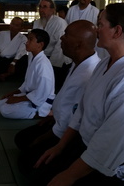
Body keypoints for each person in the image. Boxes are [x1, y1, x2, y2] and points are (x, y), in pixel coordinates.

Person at [31, 3, 124, 186]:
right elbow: (81, 110)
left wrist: (69, 176)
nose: (96, 30)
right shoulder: (104, 64)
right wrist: (61, 145)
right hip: (88, 146)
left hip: (117, 161)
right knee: (37, 170)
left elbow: (111, 142)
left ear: (117, 31)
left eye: (100, 24)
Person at [15, 20, 101, 175]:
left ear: (78, 45)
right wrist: (54, 116)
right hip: (58, 121)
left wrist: (44, 139)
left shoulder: (88, 73)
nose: (61, 38)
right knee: (22, 139)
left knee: (28, 163)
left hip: (71, 134)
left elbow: (75, 118)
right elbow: (66, 103)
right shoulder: (78, 62)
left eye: (66, 35)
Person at [0, 29, 55, 119]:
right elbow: (27, 83)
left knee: (5, 110)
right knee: (1, 103)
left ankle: (40, 113)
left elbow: (42, 92)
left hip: (40, 102)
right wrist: (13, 93)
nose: (26, 42)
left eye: (30, 40)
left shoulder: (43, 64)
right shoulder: (33, 58)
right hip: (31, 96)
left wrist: (18, 99)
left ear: (40, 45)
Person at [33, 0, 71, 92]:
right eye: (40, 7)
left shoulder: (60, 23)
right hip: (42, 57)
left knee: (54, 87)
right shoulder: (37, 23)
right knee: (41, 86)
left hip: (58, 61)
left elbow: (59, 45)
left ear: (53, 10)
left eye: (45, 7)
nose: (41, 10)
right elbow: (34, 43)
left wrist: (51, 65)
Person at [0, 16, 28, 81]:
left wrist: (13, 63)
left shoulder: (23, 38)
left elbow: (21, 52)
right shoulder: (1, 34)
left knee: (25, 60)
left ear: (21, 28)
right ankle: (6, 76)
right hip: (2, 61)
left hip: (15, 61)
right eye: (12, 24)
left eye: (16, 25)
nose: (13, 26)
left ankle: (5, 75)